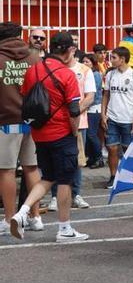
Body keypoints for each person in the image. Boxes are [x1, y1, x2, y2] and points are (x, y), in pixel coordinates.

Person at [9, 32, 89, 242]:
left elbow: (26, 96)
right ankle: (64, 228)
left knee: (48, 177)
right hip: (61, 132)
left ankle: (22, 212)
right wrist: (74, 132)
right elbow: (73, 110)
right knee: (65, 180)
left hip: (39, 133)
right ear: (69, 50)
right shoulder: (66, 74)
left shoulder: (33, 70)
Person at [0, 22, 43, 236]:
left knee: (6, 171)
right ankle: (35, 217)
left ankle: (9, 219)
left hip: (5, 120)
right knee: (32, 168)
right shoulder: (34, 58)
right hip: (32, 120)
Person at [49, 47, 94, 210]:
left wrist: (74, 113)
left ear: (72, 50)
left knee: (77, 161)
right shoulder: (53, 69)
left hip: (79, 122)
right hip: (57, 123)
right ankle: (55, 196)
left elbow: (90, 97)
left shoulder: (85, 70)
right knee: (56, 160)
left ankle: (76, 194)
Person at [101, 47, 133, 189]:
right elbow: (106, 95)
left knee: (128, 150)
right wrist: (103, 114)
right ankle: (113, 176)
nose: (111, 60)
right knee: (111, 148)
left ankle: (129, 176)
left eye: (114, 57)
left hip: (129, 119)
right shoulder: (110, 75)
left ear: (122, 59)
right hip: (112, 118)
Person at [82, 54, 104, 169]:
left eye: (87, 62)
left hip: (94, 107)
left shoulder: (95, 75)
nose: (84, 64)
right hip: (89, 107)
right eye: (83, 62)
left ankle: (98, 157)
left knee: (91, 134)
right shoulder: (87, 73)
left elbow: (93, 94)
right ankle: (91, 157)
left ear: (93, 63)